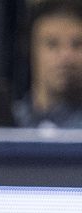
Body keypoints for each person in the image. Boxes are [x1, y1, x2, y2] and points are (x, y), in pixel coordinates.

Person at [14, 0, 82, 128]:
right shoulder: (2, 127)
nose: (66, 56)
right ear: (30, 50)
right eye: (52, 44)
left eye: (77, 44)